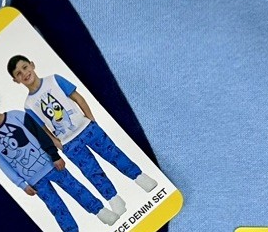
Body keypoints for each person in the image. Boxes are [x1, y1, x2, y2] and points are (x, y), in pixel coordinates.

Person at [8, 54, 157, 212]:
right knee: (91, 171)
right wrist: (59, 144)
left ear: (32, 65)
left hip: (88, 128)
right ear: (16, 80)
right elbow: (43, 130)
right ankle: (114, 200)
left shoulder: (54, 80)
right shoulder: (28, 105)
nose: (24, 73)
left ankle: (140, 177)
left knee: (113, 154)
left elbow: (78, 98)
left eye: (25, 67)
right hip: (69, 144)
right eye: (18, 73)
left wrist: (91, 119)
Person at [0, 103, 120, 232]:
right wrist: (21, 184)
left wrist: (54, 155)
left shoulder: (17, 115)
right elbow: (3, 165)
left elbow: (39, 134)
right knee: (55, 206)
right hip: (34, 180)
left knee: (76, 188)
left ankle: (101, 211)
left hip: (52, 165)